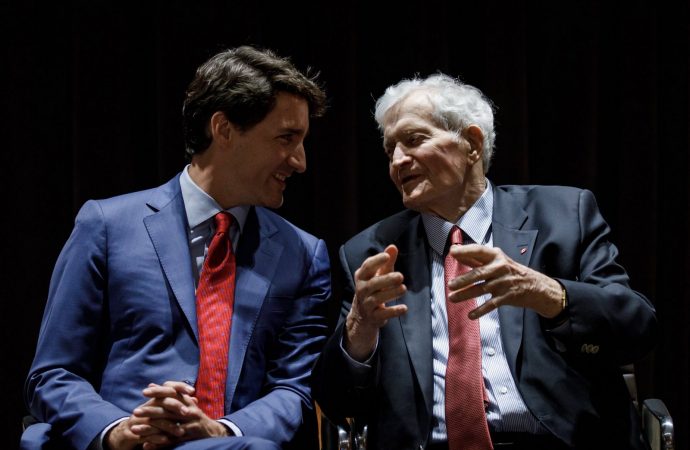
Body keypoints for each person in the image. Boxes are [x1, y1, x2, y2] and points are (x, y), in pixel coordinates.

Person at [313, 74, 658, 449]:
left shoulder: (563, 215)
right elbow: (337, 402)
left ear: (472, 144)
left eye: (414, 140)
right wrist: (359, 329)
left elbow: (637, 330)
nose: (397, 161)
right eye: (390, 148)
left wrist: (549, 294)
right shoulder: (371, 252)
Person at [22, 46, 330, 450]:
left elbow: (294, 389)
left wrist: (222, 432)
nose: (301, 161)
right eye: (286, 138)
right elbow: (53, 373)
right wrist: (118, 431)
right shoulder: (106, 226)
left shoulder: (303, 254)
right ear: (223, 130)